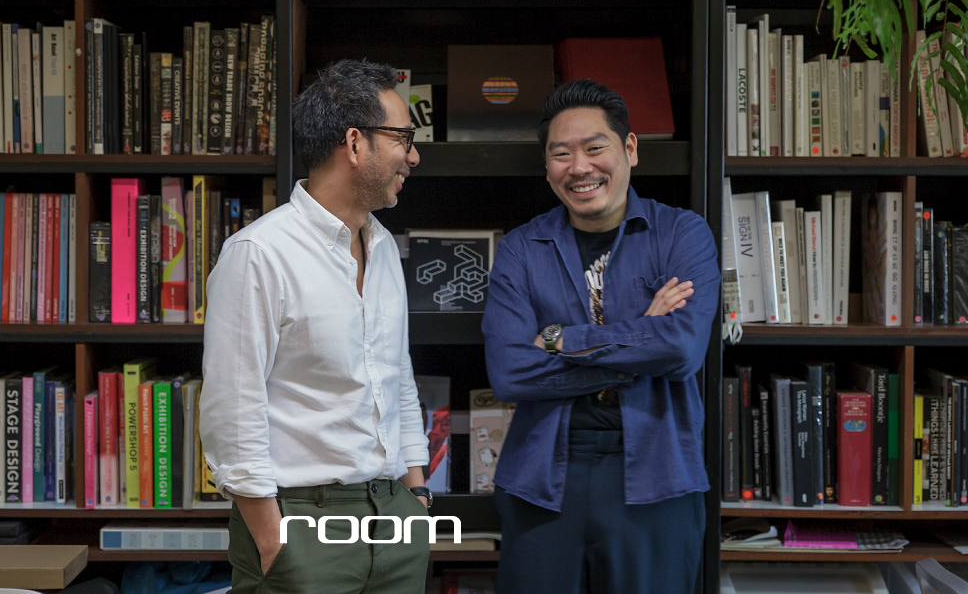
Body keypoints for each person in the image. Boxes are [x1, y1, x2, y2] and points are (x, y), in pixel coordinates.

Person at [199, 59, 433, 594]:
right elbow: (233, 408)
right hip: (301, 523)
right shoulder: (258, 253)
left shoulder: (382, 247)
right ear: (354, 143)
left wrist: (416, 495)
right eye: (402, 138)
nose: (413, 155)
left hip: (394, 516)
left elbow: (396, 376)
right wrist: (273, 539)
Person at [481, 78, 719, 594]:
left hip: (658, 476)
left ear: (629, 148)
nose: (579, 167)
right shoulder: (522, 249)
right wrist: (643, 340)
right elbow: (509, 371)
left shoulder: (681, 233)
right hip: (543, 480)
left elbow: (681, 348)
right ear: (547, 166)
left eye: (594, 148)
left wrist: (558, 339)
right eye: (561, 154)